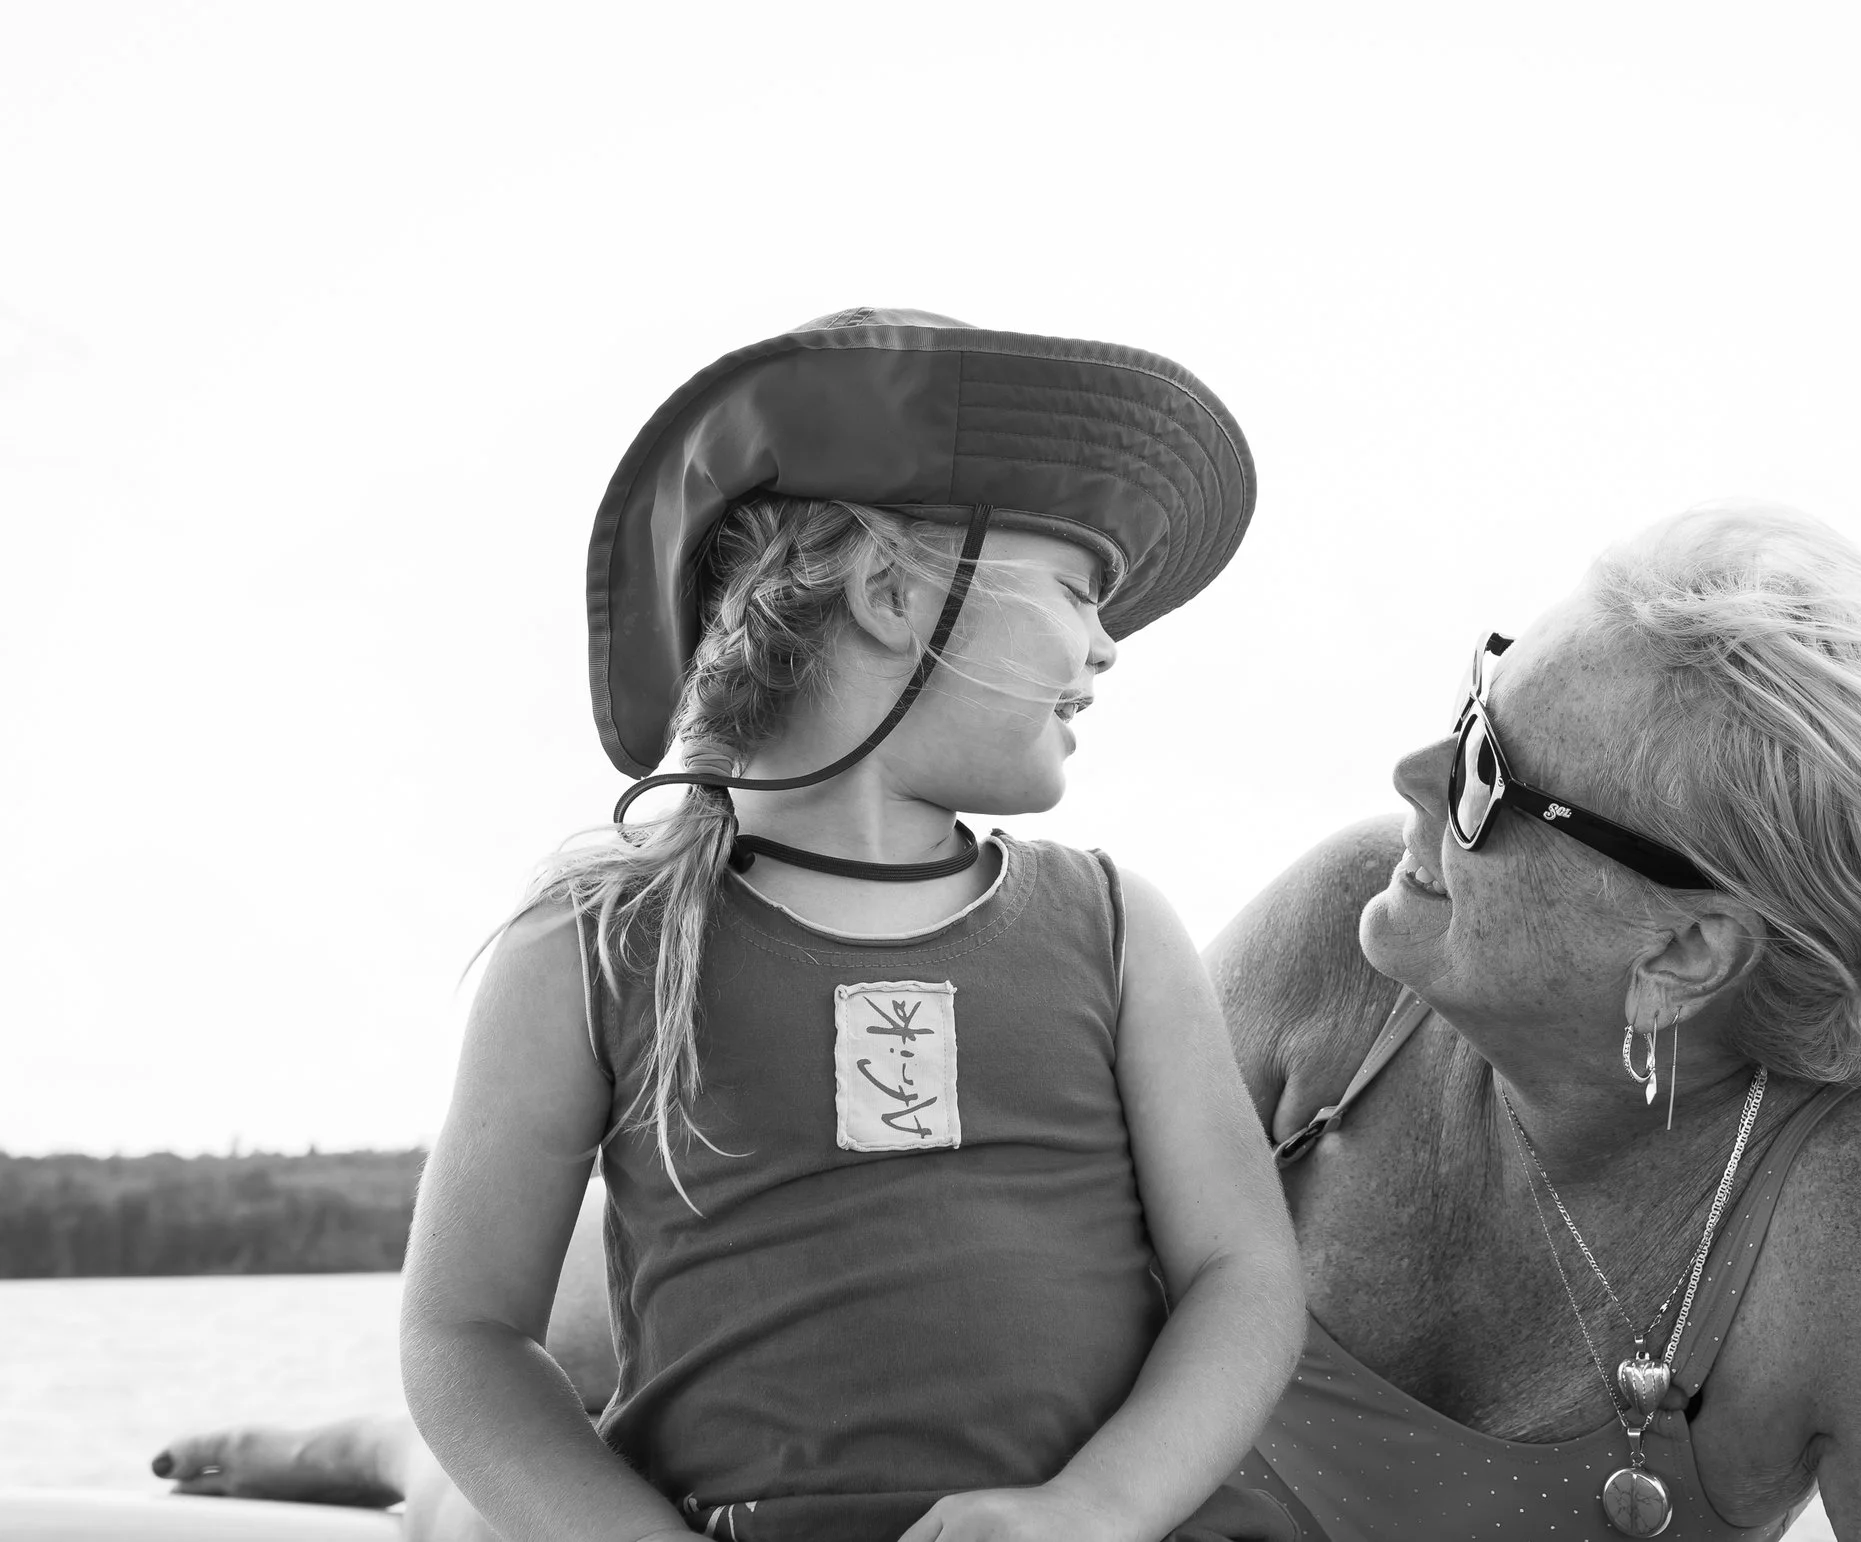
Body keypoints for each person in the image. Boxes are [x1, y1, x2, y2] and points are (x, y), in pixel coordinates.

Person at [161, 504, 1861, 1540]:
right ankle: (356, 1444)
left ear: (1685, 954)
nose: (1404, 766)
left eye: (1483, 776)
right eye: (1474, 693)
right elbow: (841, 1249)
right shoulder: (1338, 954)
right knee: (469, 1475)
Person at [366, 309, 1303, 1542]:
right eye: (1078, 590)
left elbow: (1243, 1278)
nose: (1108, 646)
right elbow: (464, 1336)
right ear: (892, 591)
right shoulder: (595, 941)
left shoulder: (1116, 926)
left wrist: (1096, 1510)